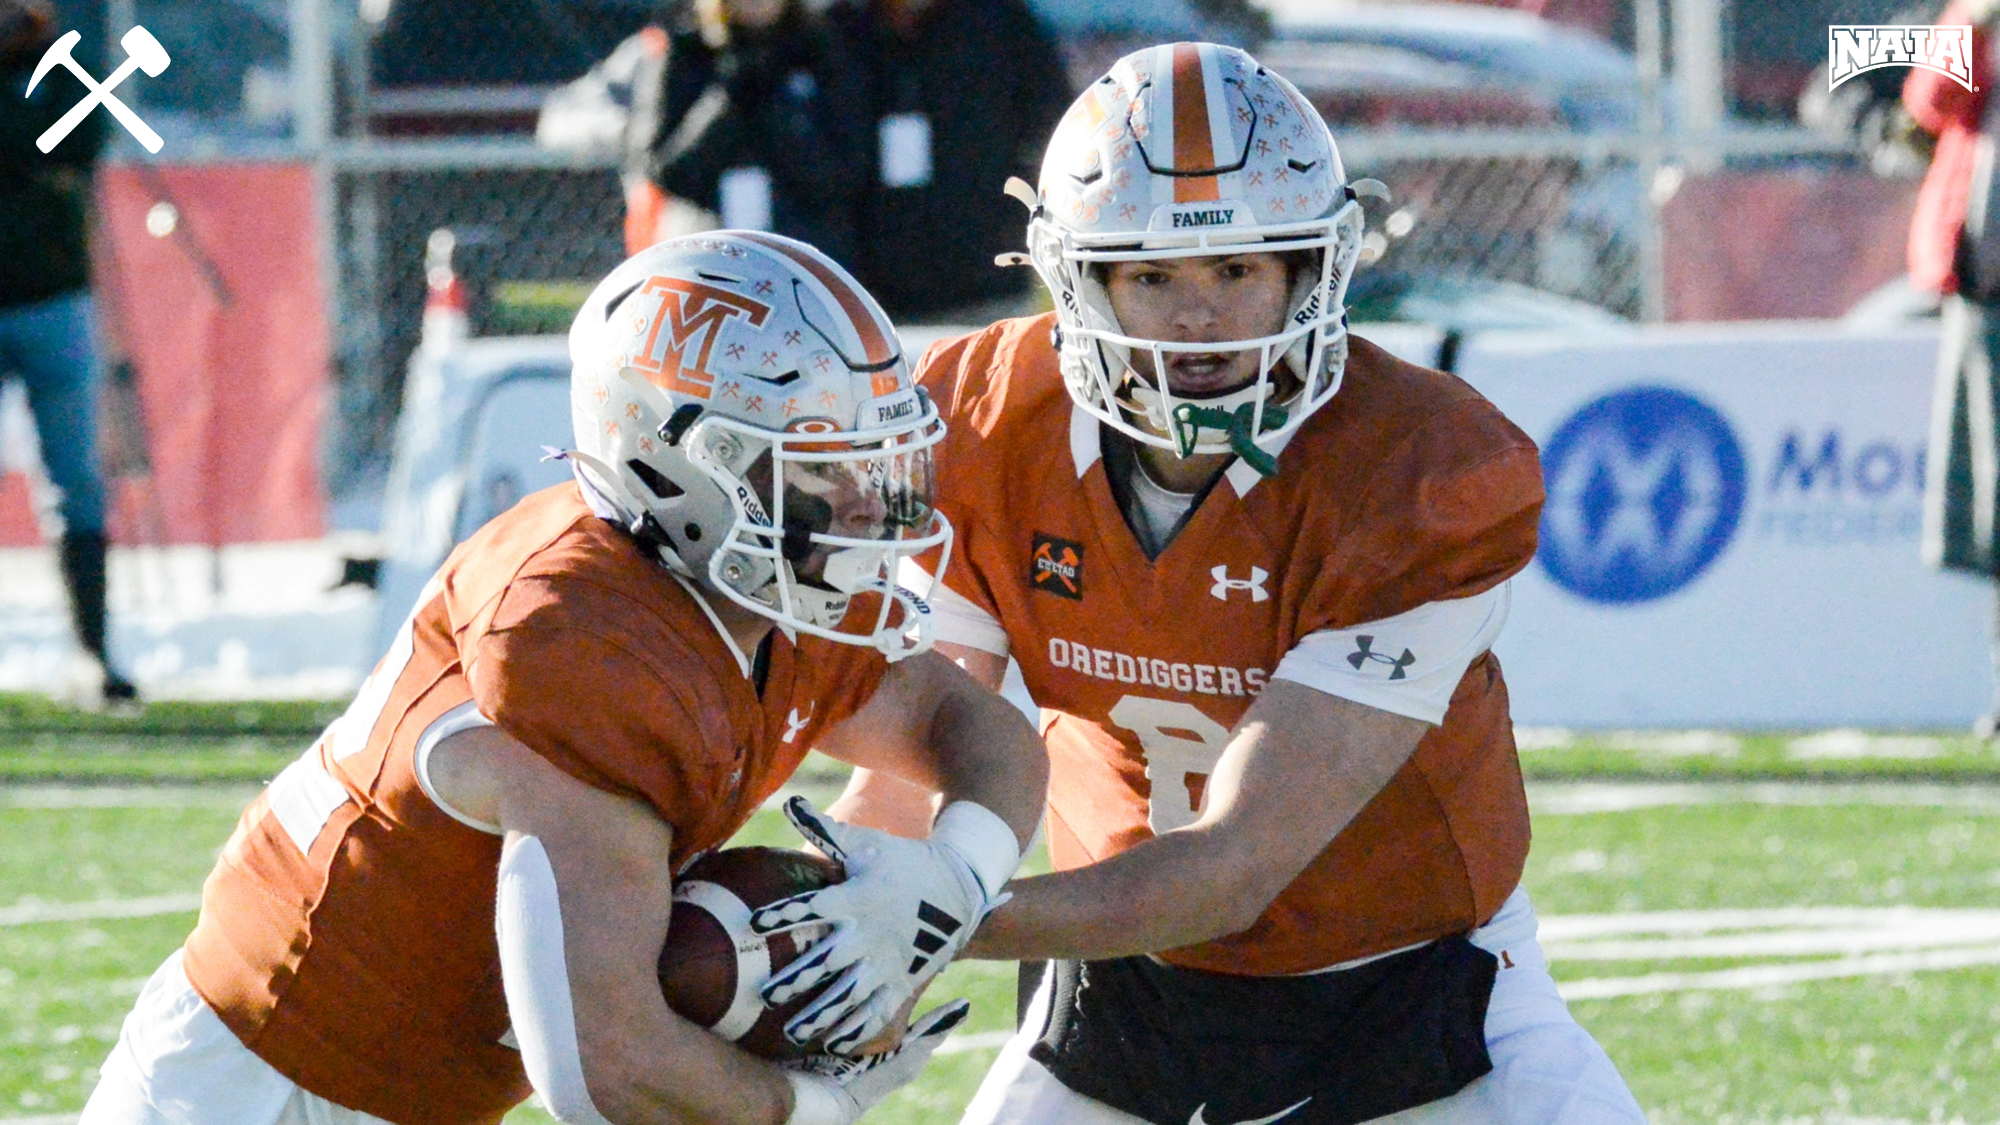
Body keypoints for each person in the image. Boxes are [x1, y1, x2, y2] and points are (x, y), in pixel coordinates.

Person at [824, 43, 1648, 1125]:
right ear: (1078, 280)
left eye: (1235, 271)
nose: (1196, 323)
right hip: (1118, 1002)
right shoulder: (985, 422)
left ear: (1312, 271)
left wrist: (931, 923)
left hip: (1421, 1003)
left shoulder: (1422, 471)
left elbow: (1235, 865)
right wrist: (837, 940)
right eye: (1150, 276)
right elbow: (918, 756)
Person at [79, 232, 1049, 1125]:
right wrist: (808, 1106)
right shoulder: (590, 640)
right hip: (265, 1079)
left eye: (868, 468)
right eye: (820, 471)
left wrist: (950, 878)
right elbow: (599, 1066)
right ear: (683, 472)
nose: (862, 508)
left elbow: (971, 727)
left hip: (415, 1082)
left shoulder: (757, 581)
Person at [1, 0, 137, 707]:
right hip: (46, 296)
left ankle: (93, 650)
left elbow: (81, 138)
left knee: (76, 481)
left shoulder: (61, 64)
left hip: (54, 300)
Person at [826, 0, 1071, 324]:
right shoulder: (843, 29)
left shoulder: (1001, 21)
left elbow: (1054, 131)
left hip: (987, 287)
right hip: (875, 299)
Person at [1907, 1, 2000, 739]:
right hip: (1988, 302)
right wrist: (1976, 21)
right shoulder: (1982, 27)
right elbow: (1929, 100)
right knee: (1994, 513)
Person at [634, 0, 868, 264]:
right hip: (709, 246)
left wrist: (779, 110)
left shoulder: (821, 50)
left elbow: (845, 169)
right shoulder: (689, 51)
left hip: (801, 249)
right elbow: (663, 168)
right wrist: (727, 103)